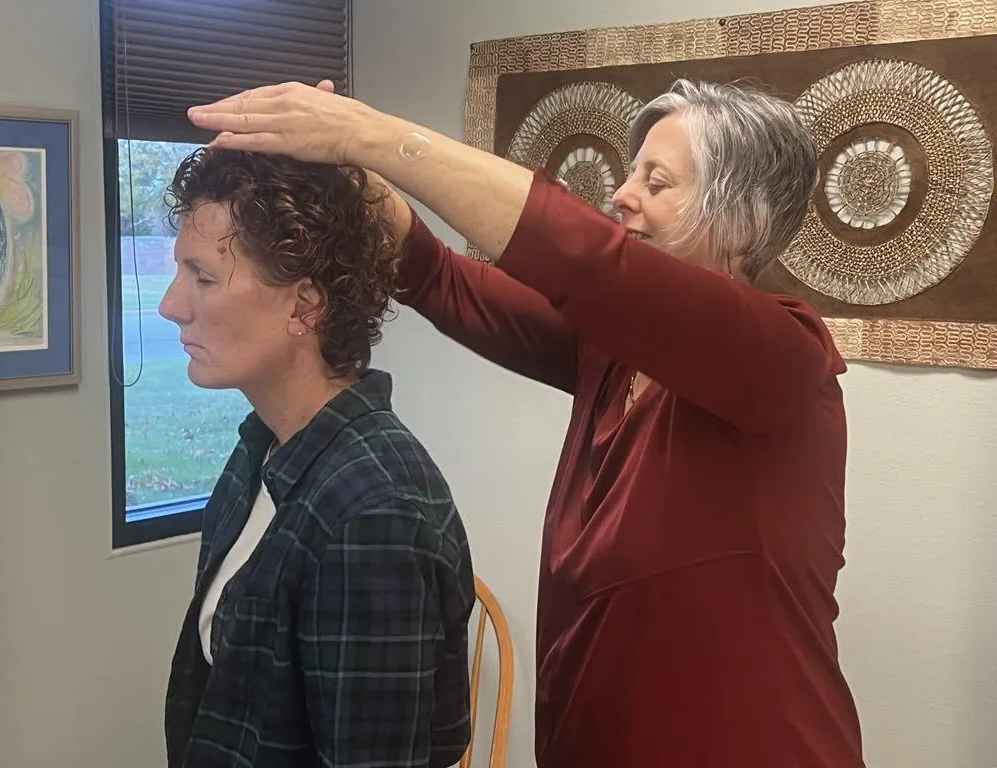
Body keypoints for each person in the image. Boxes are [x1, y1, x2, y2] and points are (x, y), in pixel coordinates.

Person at [187, 77, 865, 767]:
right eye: (631, 174)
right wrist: (339, 164)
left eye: (656, 182)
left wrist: (368, 131)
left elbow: (584, 260)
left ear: (741, 223)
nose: (623, 195)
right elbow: (435, 276)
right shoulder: (613, 355)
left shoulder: (782, 363)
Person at [158, 147, 475, 768]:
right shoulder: (260, 453)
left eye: (202, 276)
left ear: (305, 305)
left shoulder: (373, 515)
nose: (171, 304)